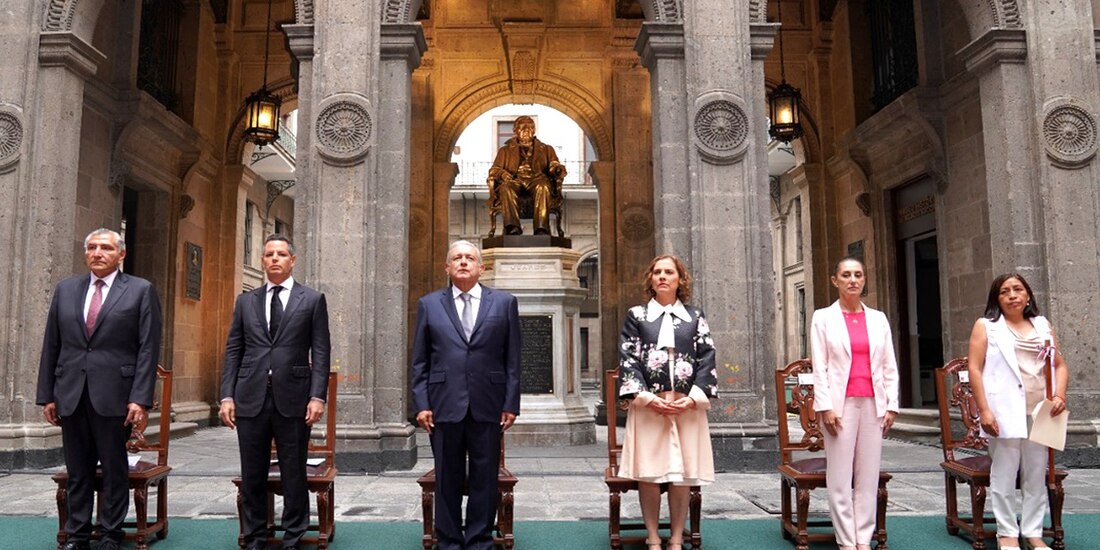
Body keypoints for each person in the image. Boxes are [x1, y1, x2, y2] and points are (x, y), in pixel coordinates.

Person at [36, 228, 163, 550]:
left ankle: (110, 534)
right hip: (71, 392)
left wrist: (140, 397)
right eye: (92, 247)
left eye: (105, 248)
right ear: (85, 253)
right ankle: (77, 534)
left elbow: (148, 347)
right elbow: (52, 343)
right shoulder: (66, 290)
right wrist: (47, 394)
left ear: (121, 254)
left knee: (113, 467)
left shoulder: (139, 290)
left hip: (116, 395)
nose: (97, 253)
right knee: (77, 469)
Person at [219, 234, 331, 550]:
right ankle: (254, 536)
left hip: (294, 397)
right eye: (269, 254)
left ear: (292, 260)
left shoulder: (311, 300)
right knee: (252, 471)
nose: (275, 259)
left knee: (293, 471)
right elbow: (234, 350)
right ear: (263, 260)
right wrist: (226, 395)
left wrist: (317, 395)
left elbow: (321, 351)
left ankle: (293, 535)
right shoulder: (246, 301)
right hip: (250, 397)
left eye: (281, 254)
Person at [410, 240, 521, 550]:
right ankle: (448, 540)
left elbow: (513, 358)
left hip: (489, 403)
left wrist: (511, 402)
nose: (462, 262)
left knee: (485, 477)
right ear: (447, 267)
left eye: (469, 258)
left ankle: (479, 540)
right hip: (443, 404)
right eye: (456, 258)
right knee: (447, 475)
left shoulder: (504, 303)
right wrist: (421, 404)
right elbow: (420, 360)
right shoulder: (429, 304)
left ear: (480, 267)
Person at [617, 254, 717, 550]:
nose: (663, 276)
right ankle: (651, 536)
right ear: (650, 279)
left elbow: (707, 357)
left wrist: (693, 398)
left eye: (669, 272)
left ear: (679, 279)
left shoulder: (695, 317)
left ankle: (675, 537)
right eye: (657, 272)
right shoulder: (637, 315)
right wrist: (646, 398)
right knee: (649, 472)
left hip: (687, 407)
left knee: (682, 474)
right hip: (649, 407)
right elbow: (627, 357)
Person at [967, 273, 1068, 550]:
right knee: (1004, 473)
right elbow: (974, 368)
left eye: (1018, 289)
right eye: (1004, 291)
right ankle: (1007, 532)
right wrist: (984, 411)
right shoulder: (986, 327)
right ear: (996, 299)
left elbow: (1059, 365)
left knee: (1036, 473)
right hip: (1003, 411)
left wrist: (1059, 395)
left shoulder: (1042, 325)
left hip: (1040, 412)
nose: (1012, 295)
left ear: (1027, 296)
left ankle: (1033, 532)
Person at [810, 256, 899, 550]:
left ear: (864, 280)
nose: (852, 280)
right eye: (846, 275)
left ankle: (864, 538)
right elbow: (819, 366)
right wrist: (825, 407)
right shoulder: (822, 318)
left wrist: (892, 405)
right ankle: (847, 541)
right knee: (839, 476)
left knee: (868, 475)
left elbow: (889, 365)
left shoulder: (878, 318)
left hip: (874, 405)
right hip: (839, 405)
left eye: (858, 275)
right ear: (835, 280)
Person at [487, 115, 567, 236]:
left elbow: (553, 164)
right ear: (515, 130)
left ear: (534, 130)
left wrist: (557, 169)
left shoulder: (546, 149)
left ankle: (541, 229)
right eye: (522, 127)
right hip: (515, 179)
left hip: (537, 178)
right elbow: (494, 170)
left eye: (530, 127)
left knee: (543, 186)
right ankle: (512, 228)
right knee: (506, 188)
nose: (526, 130)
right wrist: (502, 174)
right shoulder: (505, 150)